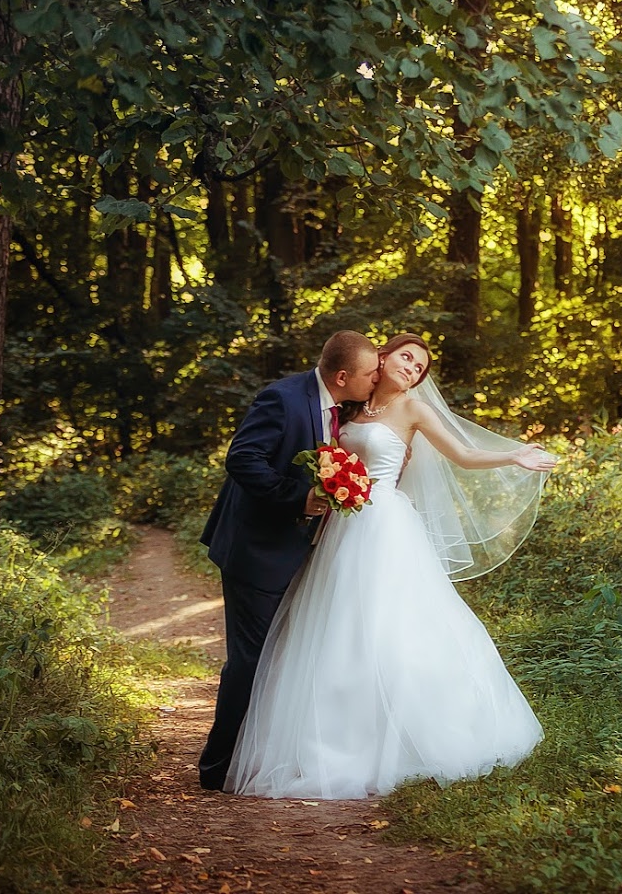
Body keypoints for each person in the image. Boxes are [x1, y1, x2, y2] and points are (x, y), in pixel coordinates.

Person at [225, 334, 557, 799]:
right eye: (406, 357)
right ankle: (324, 740)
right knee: (334, 628)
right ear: (382, 357)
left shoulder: (413, 411)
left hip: (385, 527)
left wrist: (513, 454)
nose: (412, 369)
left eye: (420, 367)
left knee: (390, 628)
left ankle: (405, 739)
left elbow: (462, 453)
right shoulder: (346, 409)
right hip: (338, 527)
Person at [197, 330, 381, 791]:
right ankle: (216, 769)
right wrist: (298, 498)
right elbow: (242, 459)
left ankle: (255, 757)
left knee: (282, 656)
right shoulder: (283, 398)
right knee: (250, 660)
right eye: (370, 372)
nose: (376, 378)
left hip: (298, 551)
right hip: (256, 551)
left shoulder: (340, 409)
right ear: (342, 376)